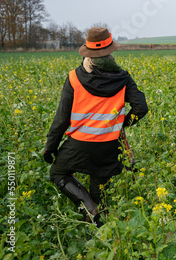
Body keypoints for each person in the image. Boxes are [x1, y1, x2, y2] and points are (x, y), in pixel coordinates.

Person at [42, 27, 149, 227]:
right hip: (109, 146)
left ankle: (89, 209)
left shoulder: (74, 77)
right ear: (110, 50)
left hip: (79, 145)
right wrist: (122, 124)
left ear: (87, 52)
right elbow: (141, 108)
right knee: (99, 190)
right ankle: (101, 228)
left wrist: (51, 147)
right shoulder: (123, 77)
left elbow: (61, 118)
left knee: (58, 173)